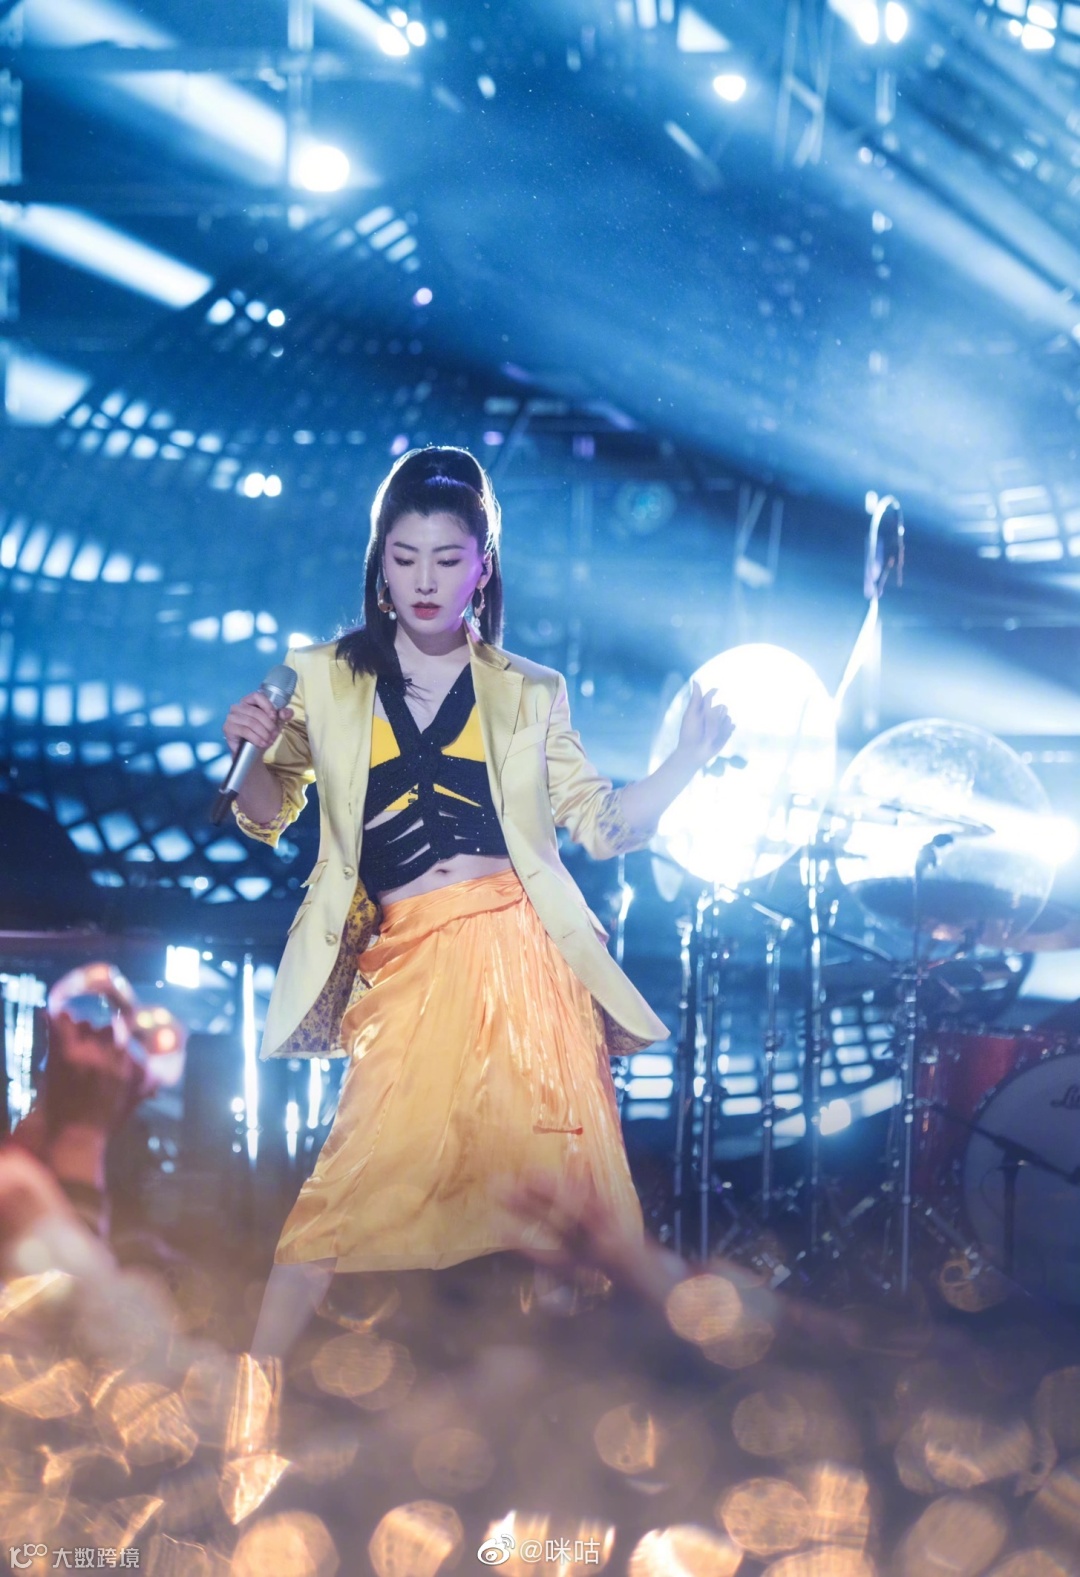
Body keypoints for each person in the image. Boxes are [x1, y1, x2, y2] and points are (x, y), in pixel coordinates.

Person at [224, 446, 733, 1358]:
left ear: (482, 566)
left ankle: (561, 1420)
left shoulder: (530, 691)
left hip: (528, 962)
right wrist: (253, 753)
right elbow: (267, 812)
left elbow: (604, 826)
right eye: (405, 557)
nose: (424, 579)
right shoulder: (325, 677)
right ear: (380, 564)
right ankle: (249, 1399)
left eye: (446, 558)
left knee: (557, 1212)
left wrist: (689, 761)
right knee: (338, 1198)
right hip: (408, 964)